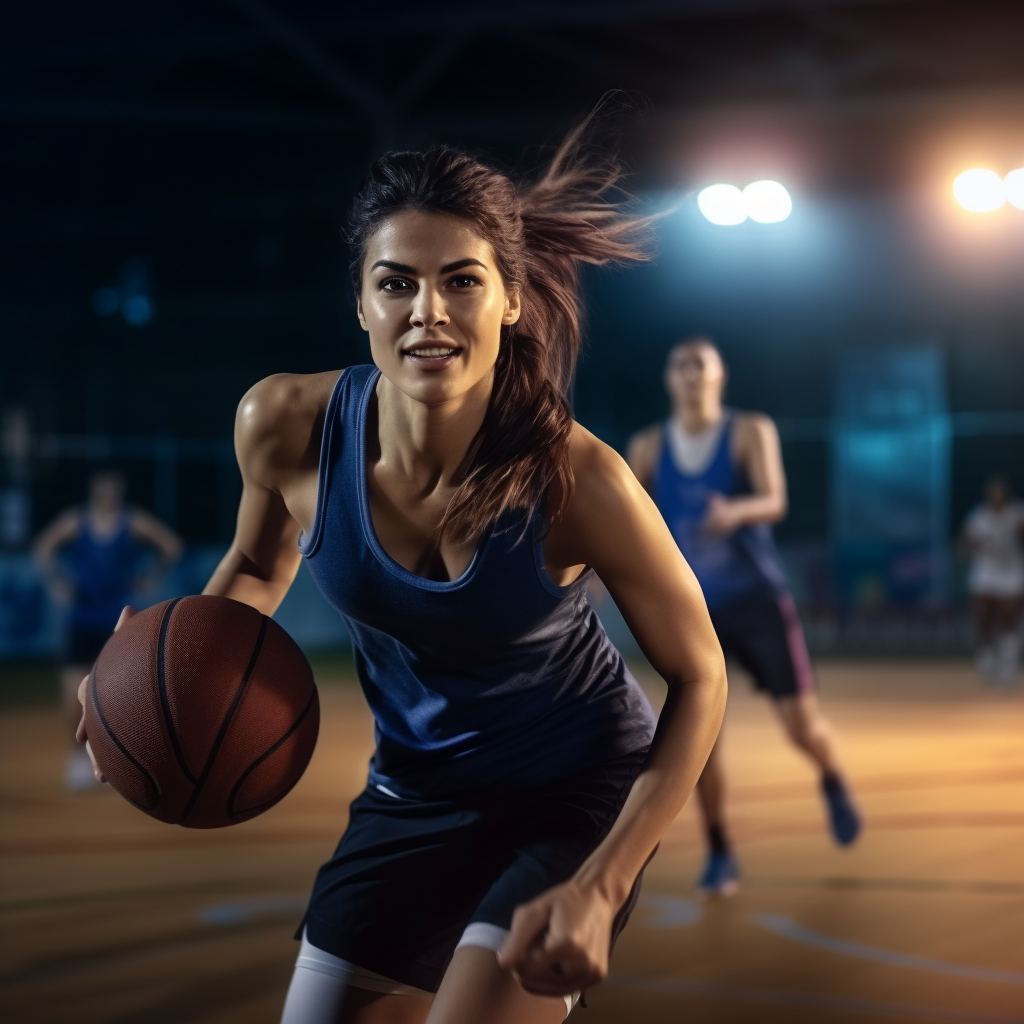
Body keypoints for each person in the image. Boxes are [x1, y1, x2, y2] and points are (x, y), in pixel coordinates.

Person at [78, 127, 728, 1023]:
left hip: (573, 793)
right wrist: (146, 679)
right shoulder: (284, 425)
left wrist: (606, 882)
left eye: (462, 279)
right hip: (414, 789)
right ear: (360, 303)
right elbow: (256, 570)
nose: (428, 311)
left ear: (508, 300)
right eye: (397, 283)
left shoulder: (579, 480)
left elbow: (701, 676)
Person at [627, 337, 860, 899]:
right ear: (668, 378)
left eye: (700, 364)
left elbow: (774, 500)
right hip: (696, 610)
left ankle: (831, 777)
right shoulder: (650, 446)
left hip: (758, 600)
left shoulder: (750, 430)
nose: (690, 373)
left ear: (719, 375)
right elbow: (628, 518)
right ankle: (720, 851)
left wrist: (735, 511)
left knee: (802, 725)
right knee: (702, 738)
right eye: (680, 364)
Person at [32, 468, 182, 789]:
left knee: (125, 697)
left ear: (120, 489)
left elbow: (171, 546)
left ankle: (125, 759)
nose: (108, 492)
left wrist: (150, 576)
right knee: (74, 693)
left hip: (117, 623)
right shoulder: (77, 521)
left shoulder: (132, 521)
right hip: (81, 620)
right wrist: (56, 582)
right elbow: (43, 547)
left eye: (114, 487)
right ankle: (78, 760)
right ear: (94, 488)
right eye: (103, 487)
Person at [960, 476, 1024, 686]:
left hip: (1011, 572)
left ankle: (1008, 664)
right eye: (993, 494)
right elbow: (964, 541)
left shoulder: (1016, 513)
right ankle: (987, 658)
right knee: (982, 616)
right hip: (985, 572)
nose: (996, 497)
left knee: (1010, 618)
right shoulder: (979, 516)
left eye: (1000, 493)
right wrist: (971, 544)